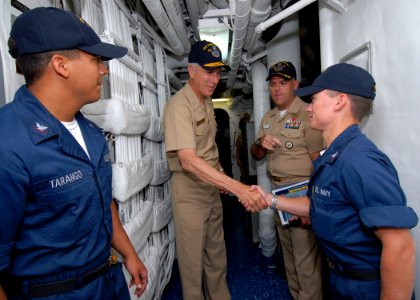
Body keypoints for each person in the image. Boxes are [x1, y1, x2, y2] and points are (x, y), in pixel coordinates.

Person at [0, 7, 148, 299]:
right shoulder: (9, 144)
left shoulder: (91, 133)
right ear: (61, 65)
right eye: (96, 60)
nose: (104, 69)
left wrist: (129, 253)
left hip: (107, 282)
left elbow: (104, 202)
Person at [255, 63, 418, 299]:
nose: (309, 108)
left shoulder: (360, 161)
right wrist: (269, 199)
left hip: (364, 287)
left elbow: (401, 248)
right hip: (340, 279)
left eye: (314, 100)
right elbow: (317, 204)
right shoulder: (334, 155)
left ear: (339, 101)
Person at [163, 40, 267, 299]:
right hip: (189, 192)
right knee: (192, 266)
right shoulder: (179, 106)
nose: (215, 78)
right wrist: (237, 188)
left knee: (216, 258)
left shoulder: (207, 103)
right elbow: (187, 159)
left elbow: (206, 147)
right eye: (209, 71)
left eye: (218, 72)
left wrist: (219, 169)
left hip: (210, 188)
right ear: (192, 70)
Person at [250, 61, 324, 299]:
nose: (277, 89)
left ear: (294, 84)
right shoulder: (269, 118)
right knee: (289, 258)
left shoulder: (307, 114)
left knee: (306, 262)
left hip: (301, 194)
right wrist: (260, 144)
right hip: (278, 194)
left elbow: (318, 162)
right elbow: (256, 154)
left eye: (283, 83)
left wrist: (311, 204)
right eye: (272, 84)